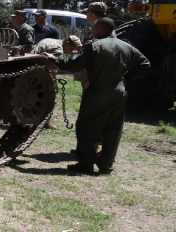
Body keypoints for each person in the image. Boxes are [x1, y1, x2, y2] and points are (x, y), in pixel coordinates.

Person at [56, 18, 151, 175]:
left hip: (98, 92)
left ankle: (86, 164)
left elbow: (73, 65)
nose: (92, 30)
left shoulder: (94, 46)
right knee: (113, 128)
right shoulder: (127, 46)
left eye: (94, 28)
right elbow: (145, 65)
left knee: (87, 126)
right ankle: (106, 165)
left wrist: (55, 58)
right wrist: (125, 78)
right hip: (119, 92)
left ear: (101, 29)